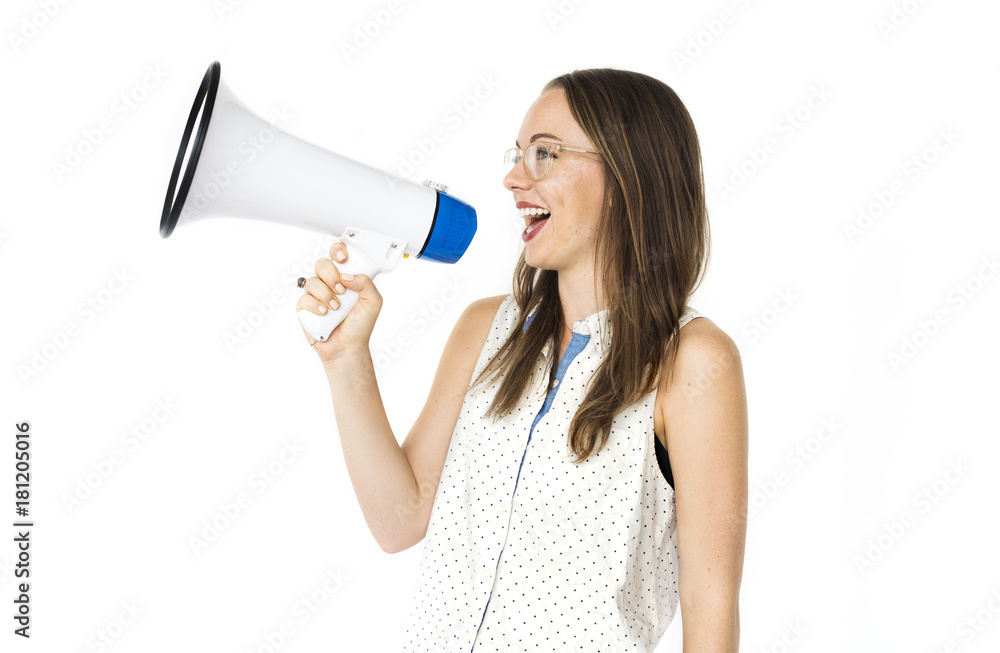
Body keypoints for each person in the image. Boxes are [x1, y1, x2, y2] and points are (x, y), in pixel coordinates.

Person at [296, 68, 748, 652]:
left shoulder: (691, 363)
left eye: (545, 155)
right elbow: (399, 520)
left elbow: (711, 612)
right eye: (518, 154)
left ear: (629, 174)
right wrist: (345, 358)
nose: (513, 179)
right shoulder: (486, 330)